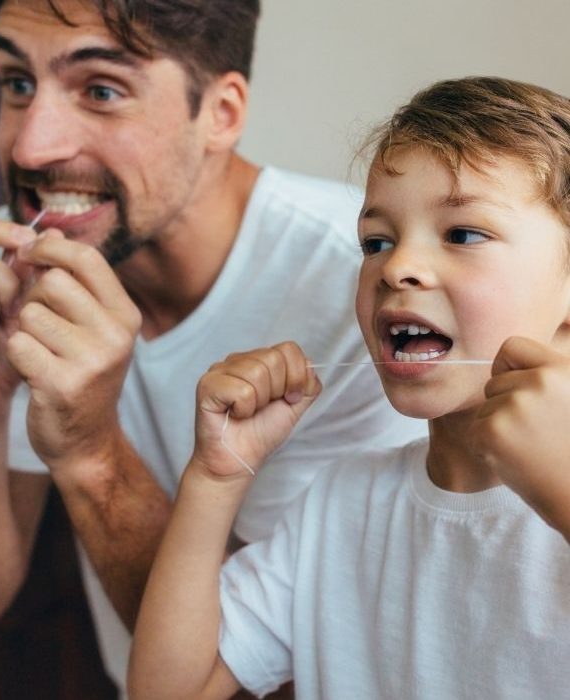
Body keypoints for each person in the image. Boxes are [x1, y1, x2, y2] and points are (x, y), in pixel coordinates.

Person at [0, 0, 426, 696]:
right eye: (17, 82)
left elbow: (271, 682)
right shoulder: (15, 259)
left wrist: (92, 452)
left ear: (221, 112)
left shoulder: (370, 295)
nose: (32, 149)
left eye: (100, 90)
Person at [128, 76, 570, 700]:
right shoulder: (338, 504)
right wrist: (215, 479)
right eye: (376, 241)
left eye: (462, 234)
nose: (396, 267)